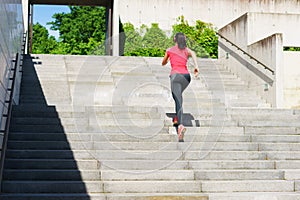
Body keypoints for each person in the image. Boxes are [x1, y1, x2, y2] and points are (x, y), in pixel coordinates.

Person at [162, 32, 199, 142]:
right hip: (186, 77)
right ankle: (177, 118)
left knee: (178, 100)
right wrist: (196, 66)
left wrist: (167, 59)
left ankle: (180, 125)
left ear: (175, 40)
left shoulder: (169, 50)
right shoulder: (186, 50)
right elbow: (193, 53)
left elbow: (163, 63)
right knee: (179, 98)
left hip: (175, 76)